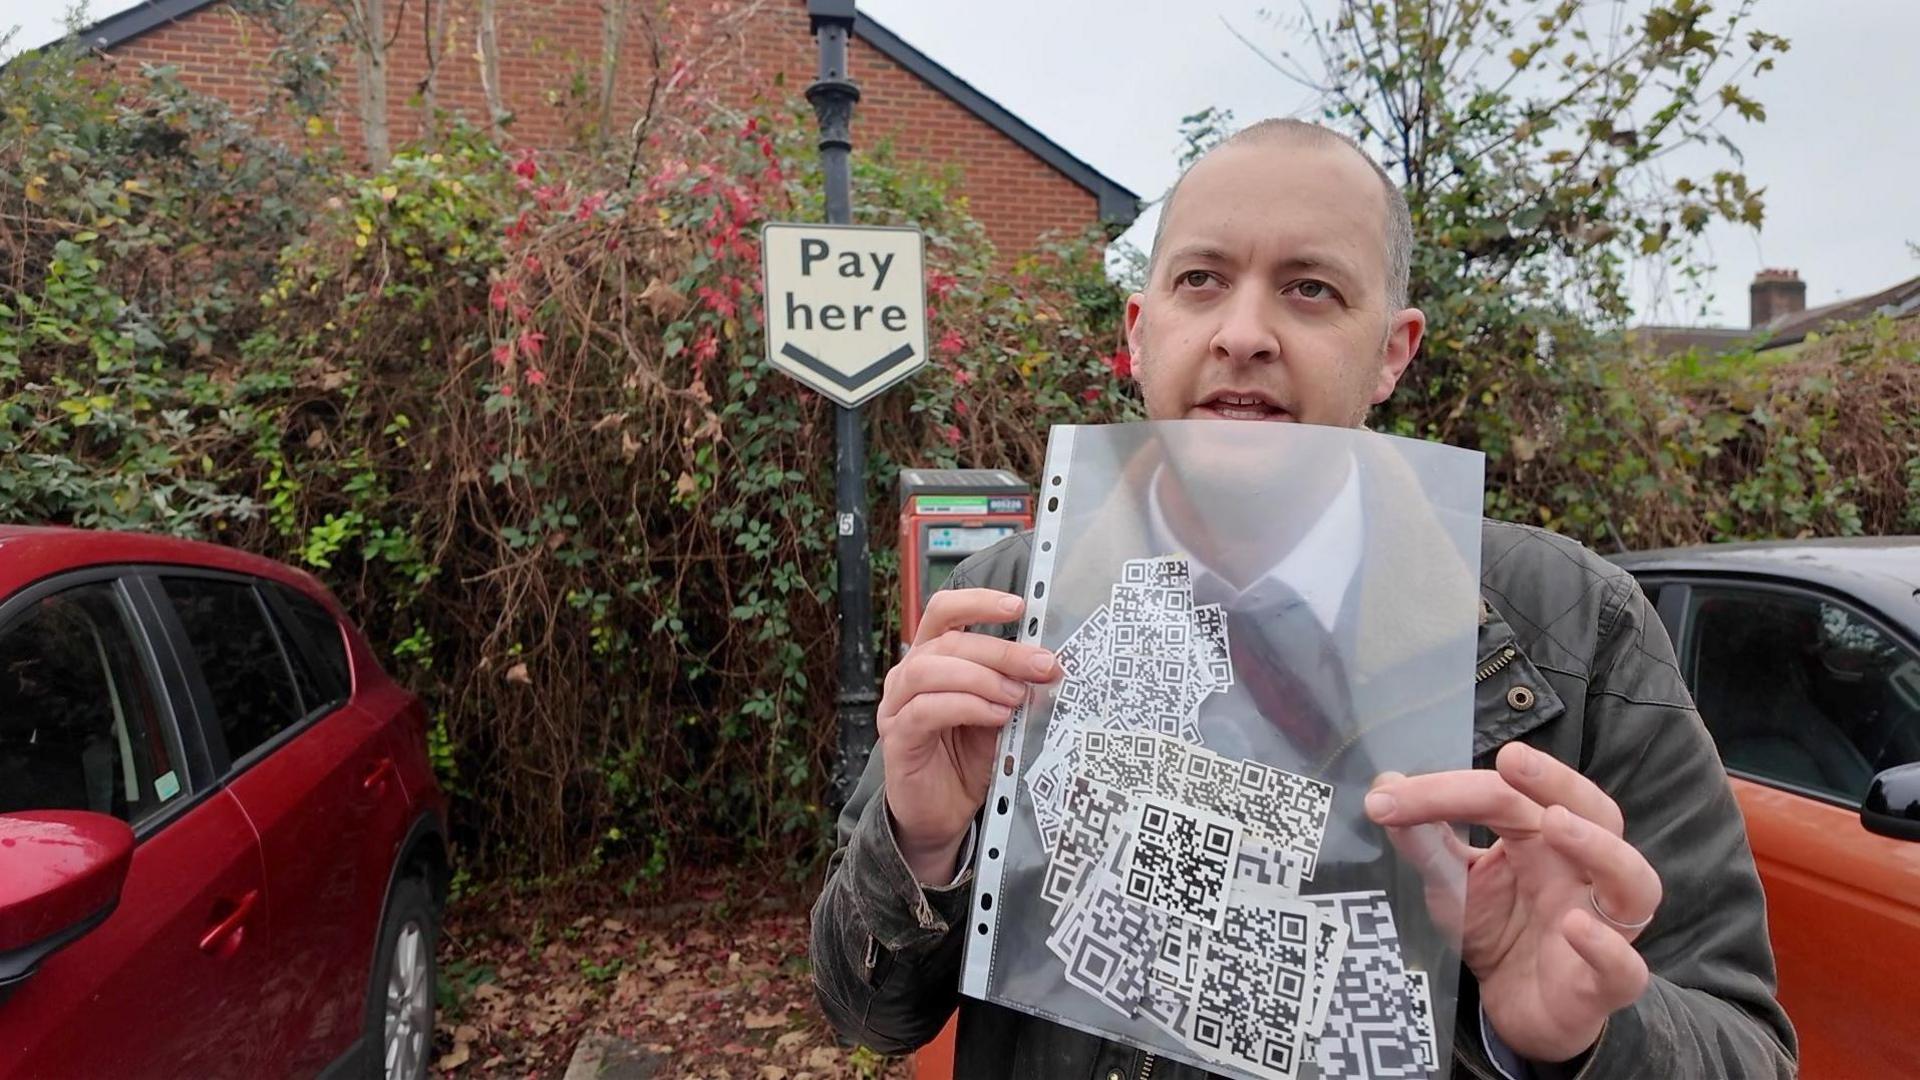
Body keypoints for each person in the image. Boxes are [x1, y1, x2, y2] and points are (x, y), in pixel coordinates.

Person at [809, 119, 1796, 1080]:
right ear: (1141, 332)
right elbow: (870, 1014)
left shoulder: (1581, 634)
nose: (1244, 334)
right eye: (1201, 280)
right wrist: (921, 849)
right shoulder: (1007, 603)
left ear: (1392, 352)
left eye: (1310, 290)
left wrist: (1572, 1040)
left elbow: (1742, 1042)